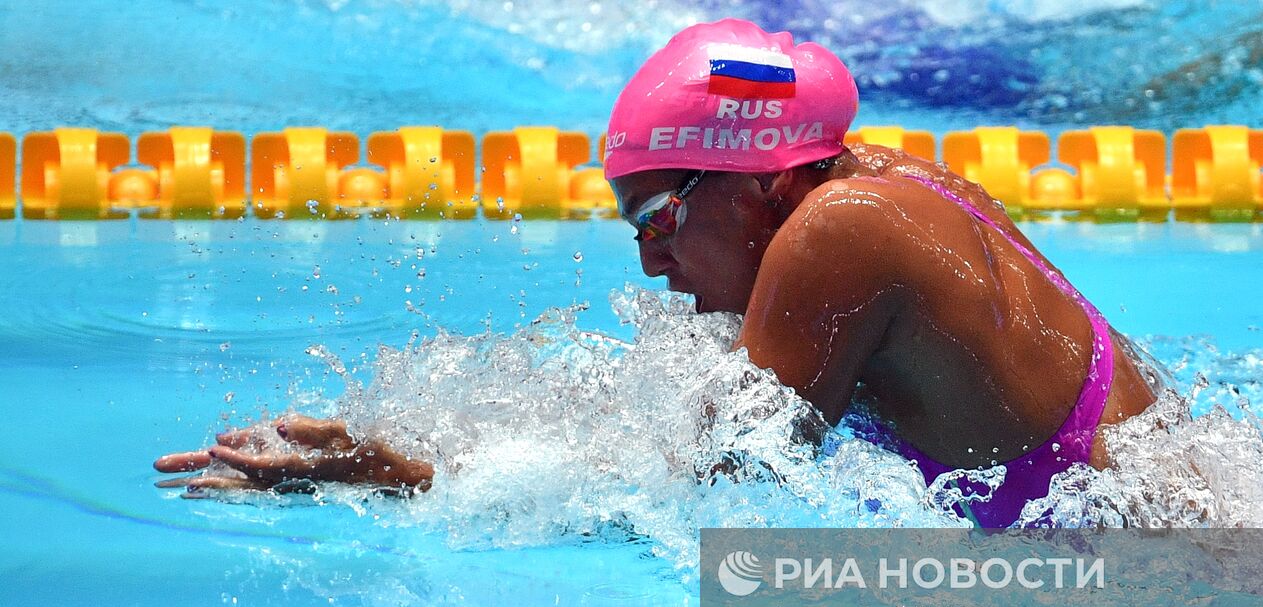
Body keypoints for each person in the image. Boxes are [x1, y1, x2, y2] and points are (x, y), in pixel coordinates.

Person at [156, 18, 1158, 527]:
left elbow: (688, 500)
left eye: (662, 215)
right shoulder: (882, 182)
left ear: (759, 181)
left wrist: (396, 474)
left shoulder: (839, 232)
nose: (650, 258)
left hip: (1195, 584)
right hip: (1209, 519)